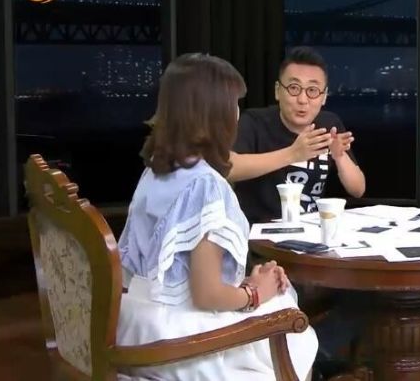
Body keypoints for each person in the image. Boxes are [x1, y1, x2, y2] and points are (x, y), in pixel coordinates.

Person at [116, 53, 318, 381]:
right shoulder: (205, 186)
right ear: (214, 113)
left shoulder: (156, 170)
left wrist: (248, 282)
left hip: (137, 324)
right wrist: (255, 293)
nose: (237, 113)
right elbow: (207, 294)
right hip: (180, 343)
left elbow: (176, 272)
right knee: (290, 320)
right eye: (233, 104)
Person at [228, 46, 365, 223]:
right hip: (259, 232)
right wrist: (293, 154)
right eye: (294, 88)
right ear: (278, 91)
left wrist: (340, 157)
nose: (302, 99)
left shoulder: (329, 124)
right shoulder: (255, 121)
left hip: (311, 231)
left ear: (324, 96)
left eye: (312, 90)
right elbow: (229, 168)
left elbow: (358, 189)